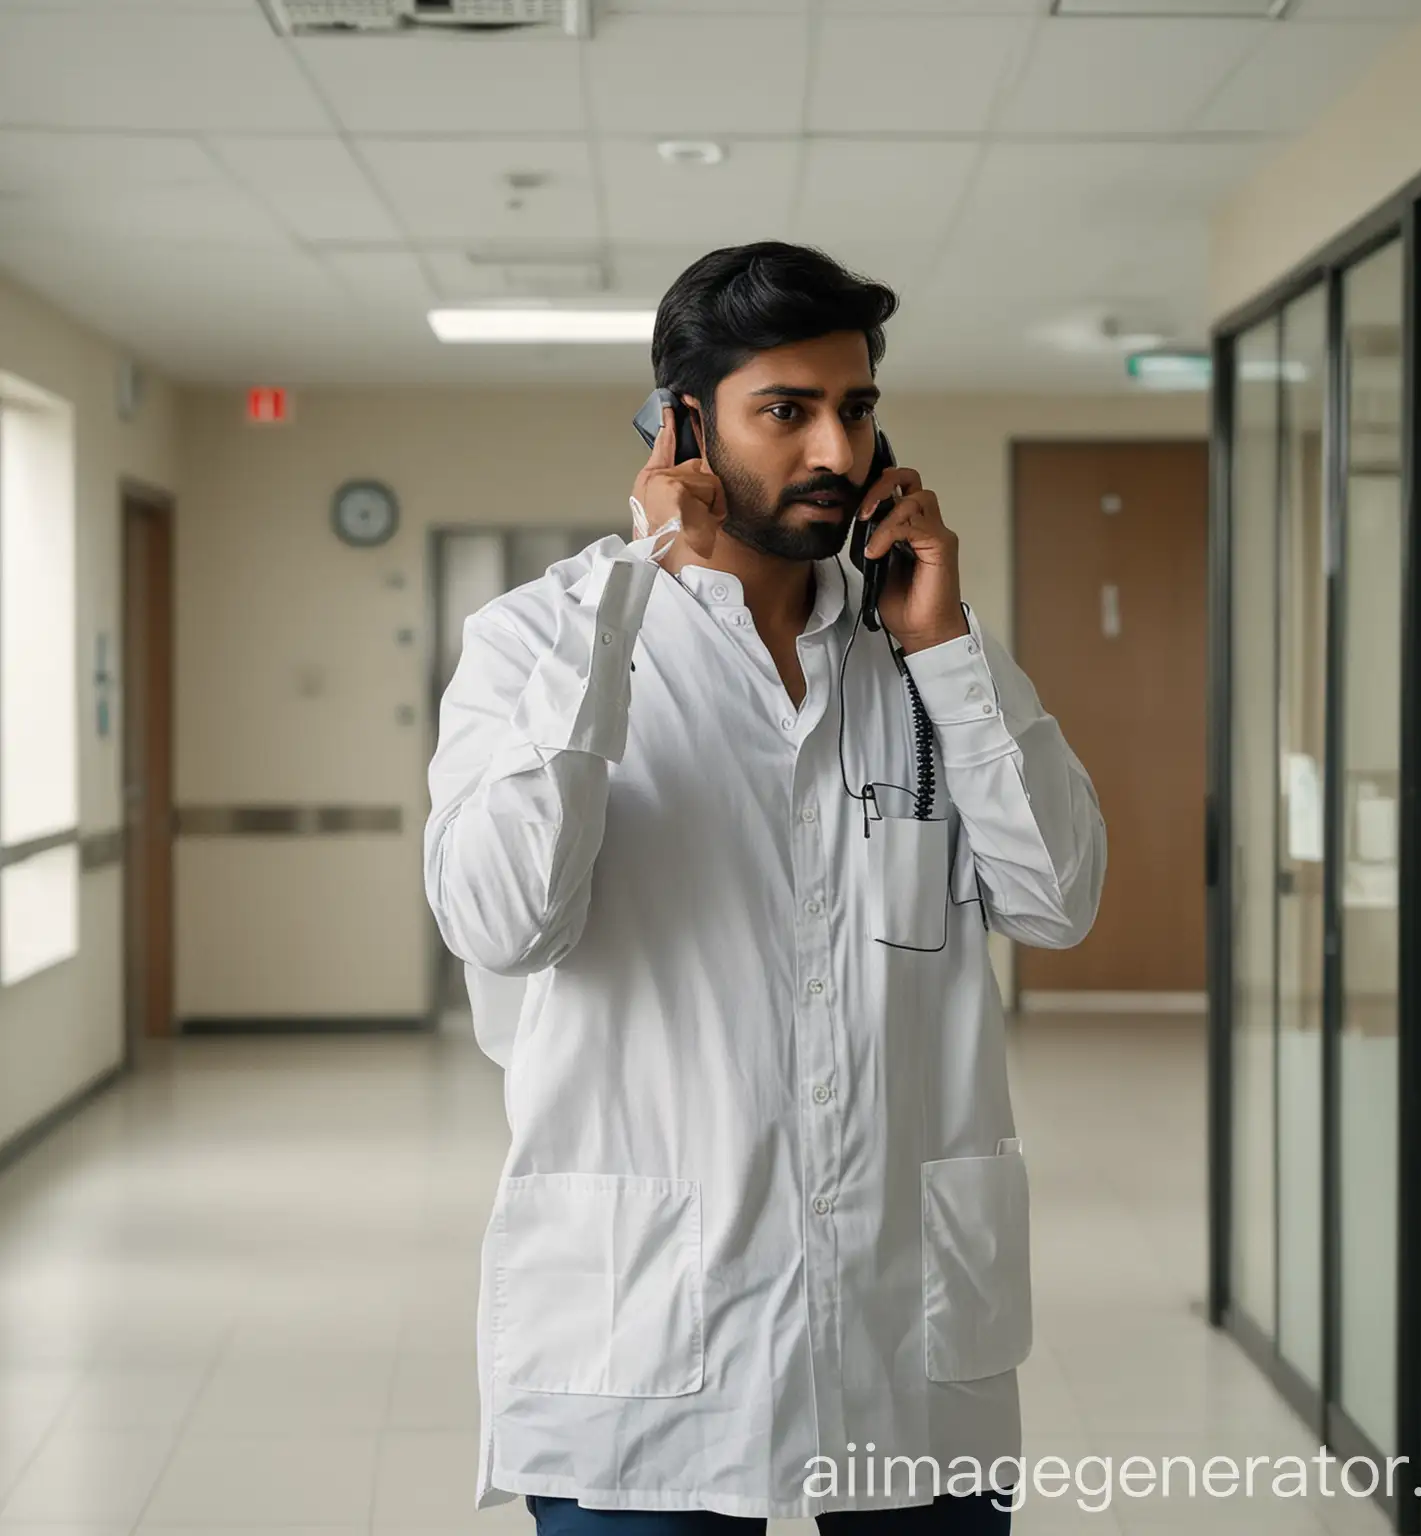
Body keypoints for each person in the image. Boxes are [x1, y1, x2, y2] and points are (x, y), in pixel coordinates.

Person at [424, 242, 1107, 1534]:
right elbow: (503, 922)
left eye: (854, 409)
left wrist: (949, 650)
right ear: (683, 427)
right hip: (645, 1322)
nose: (835, 453)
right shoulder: (543, 637)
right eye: (785, 412)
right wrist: (630, 596)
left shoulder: (926, 654)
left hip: (907, 1316)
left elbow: (1057, 902)